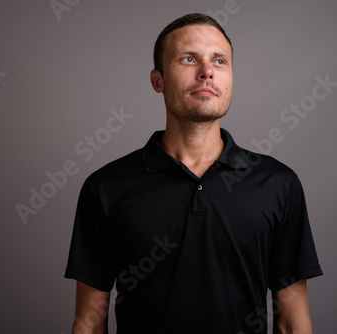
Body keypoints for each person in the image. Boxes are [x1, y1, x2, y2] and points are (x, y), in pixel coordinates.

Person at [64, 13, 322, 334]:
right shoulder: (106, 187)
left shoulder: (278, 184)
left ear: (230, 77)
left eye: (220, 61)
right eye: (188, 59)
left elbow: (292, 321)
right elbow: (89, 322)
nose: (207, 72)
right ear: (157, 80)